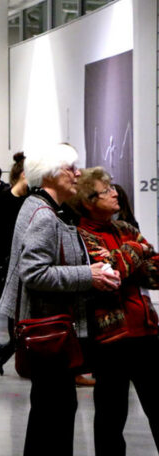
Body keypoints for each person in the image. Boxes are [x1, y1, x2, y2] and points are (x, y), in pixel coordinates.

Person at [0, 144, 120, 456]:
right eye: (71, 168)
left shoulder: (38, 207)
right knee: (56, 414)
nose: (78, 173)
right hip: (48, 333)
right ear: (51, 175)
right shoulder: (43, 216)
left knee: (48, 413)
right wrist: (88, 275)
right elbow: (34, 273)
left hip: (44, 331)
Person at [70, 167, 159, 455]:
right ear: (87, 202)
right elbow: (111, 275)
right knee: (111, 416)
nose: (114, 193)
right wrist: (137, 251)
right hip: (110, 340)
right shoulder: (80, 237)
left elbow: (155, 274)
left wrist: (128, 257)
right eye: (105, 190)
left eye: (111, 187)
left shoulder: (125, 229)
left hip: (146, 331)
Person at [0, 153, 29, 374]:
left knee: (22, 314)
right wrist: (4, 262)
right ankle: (9, 351)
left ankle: (7, 350)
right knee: (13, 312)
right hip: (10, 264)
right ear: (24, 174)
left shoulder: (31, 198)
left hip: (28, 262)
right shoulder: (5, 199)